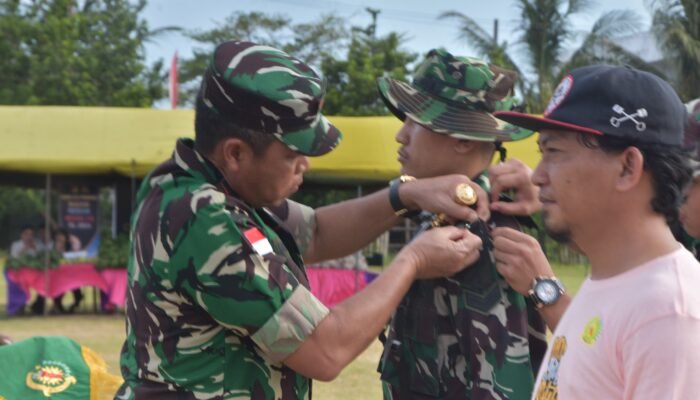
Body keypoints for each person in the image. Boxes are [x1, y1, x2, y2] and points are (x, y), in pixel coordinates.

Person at [115, 40, 491, 399]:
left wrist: (405, 194)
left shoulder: (201, 185)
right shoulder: (205, 217)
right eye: (293, 154)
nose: (305, 165)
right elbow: (326, 349)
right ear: (236, 152)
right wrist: (413, 260)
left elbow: (317, 233)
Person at [491, 64, 700, 399]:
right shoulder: (616, 281)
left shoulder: (668, 314)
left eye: (555, 153)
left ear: (627, 167)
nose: (537, 176)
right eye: (541, 155)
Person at [375, 49, 547, 399]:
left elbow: (498, 382)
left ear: (464, 139)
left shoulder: (482, 232)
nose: (401, 136)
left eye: (414, 122)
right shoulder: (443, 219)